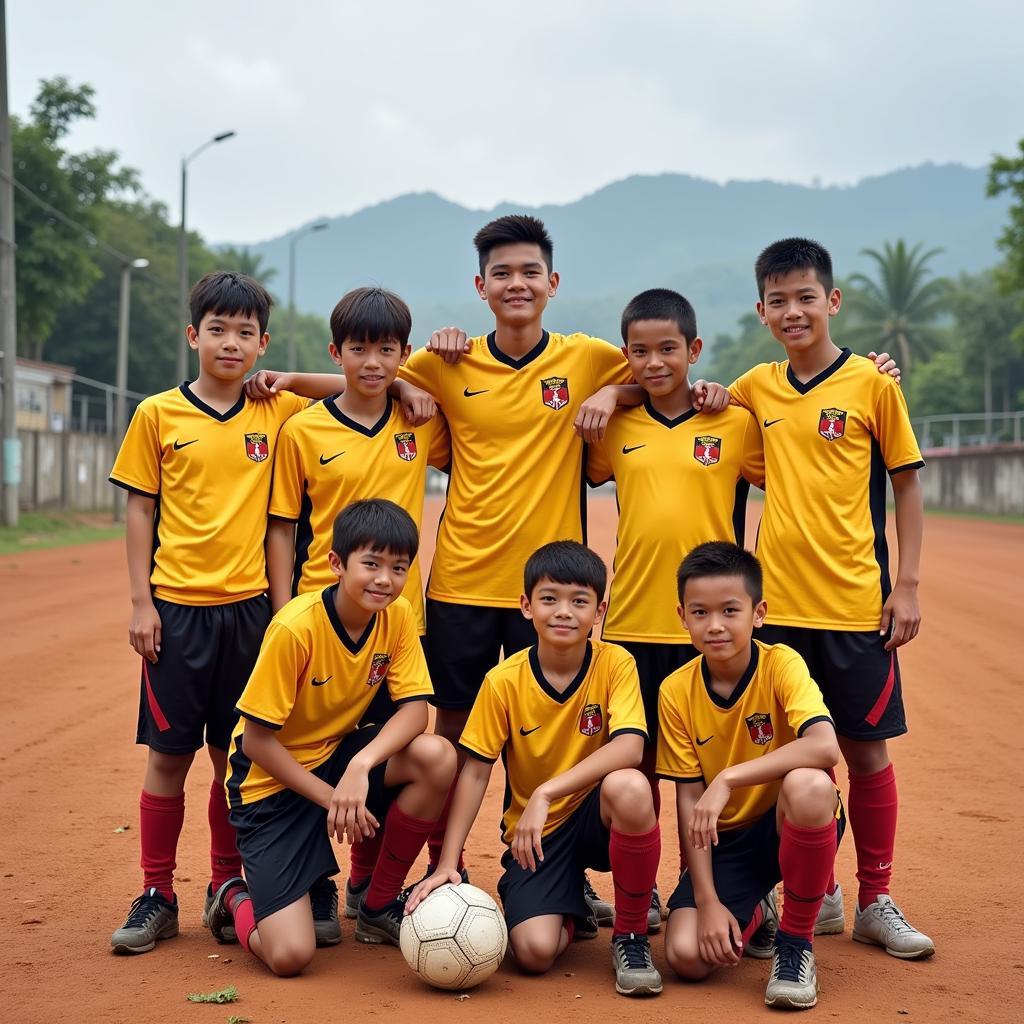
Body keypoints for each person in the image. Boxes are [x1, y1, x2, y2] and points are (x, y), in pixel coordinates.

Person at [395, 215, 641, 919]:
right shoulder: (446, 360)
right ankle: (453, 873)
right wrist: (415, 383)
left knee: (564, 734)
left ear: (552, 282)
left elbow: (668, 374)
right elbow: (368, 371)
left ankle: (561, 872)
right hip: (464, 583)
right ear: (480, 286)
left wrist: (611, 394)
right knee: (455, 735)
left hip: (552, 593)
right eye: (501, 273)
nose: (517, 283)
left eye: (530, 271)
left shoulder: (589, 359)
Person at [699, 237, 933, 958]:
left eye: (807, 297)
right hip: (779, 615)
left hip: (857, 608)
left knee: (866, 754)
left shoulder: (872, 385)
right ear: (762, 311)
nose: (793, 311)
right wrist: (704, 392)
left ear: (833, 301)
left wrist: (909, 585)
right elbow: (695, 401)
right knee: (797, 762)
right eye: (779, 301)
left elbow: (906, 482)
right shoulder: (755, 389)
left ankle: (877, 898)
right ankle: (818, 894)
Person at [108, 272, 312, 955]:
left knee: (235, 760)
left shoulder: (275, 411)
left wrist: (286, 379)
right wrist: (142, 602)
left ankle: (227, 886)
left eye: (246, 333)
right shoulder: (158, 414)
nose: (231, 342)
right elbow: (140, 508)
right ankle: (157, 892)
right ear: (193, 335)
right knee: (168, 759)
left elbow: (358, 387)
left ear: (262, 344)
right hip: (177, 614)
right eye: (218, 329)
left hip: (250, 617)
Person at [207, 499, 455, 975]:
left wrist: (361, 767)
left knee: (436, 756)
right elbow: (256, 741)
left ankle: (377, 904)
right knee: (290, 956)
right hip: (270, 784)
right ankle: (230, 897)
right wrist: (331, 798)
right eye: (371, 564)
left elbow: (415, 711)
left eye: (398, 567)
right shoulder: (295, 628)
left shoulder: (398, 615)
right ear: (336, 564)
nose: (384, 579)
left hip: (337, 758)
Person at [408, 541, 663, 997]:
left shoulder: (615, 663)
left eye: (579, 601)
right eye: (549, 599)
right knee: (532, 953)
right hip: (536, 838)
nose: (563, 612)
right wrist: (448, 862)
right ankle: (571, 908)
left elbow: (629, 746)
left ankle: (630, 934)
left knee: (631, 786)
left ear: (599, 609)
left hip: (595, 817)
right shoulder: (503, 680)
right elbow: (475, 772)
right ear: (526, 606)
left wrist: (546, 793)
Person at [587, 288, 765, 926]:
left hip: (710, 629)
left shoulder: (736, 422)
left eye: (668, 348)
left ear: (694, 349)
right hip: (633, 621)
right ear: (625, 356)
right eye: (639, 351)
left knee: (707, 764)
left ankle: (702, 884)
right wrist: (612, 394)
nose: (654, 361)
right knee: (639, 768)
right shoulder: (614, 428)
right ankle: (642, 893)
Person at [660, 541, 844, 1010]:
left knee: (811, 784)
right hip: (729, 842)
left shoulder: (781, 663)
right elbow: (688, 801)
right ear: (682, 616)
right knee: (685, 956)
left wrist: (729, 779)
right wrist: (706, 899)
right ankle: (757, 907)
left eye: (730, 610)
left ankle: (796, 942)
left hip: (788, 820)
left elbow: (825, 746)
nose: (715, 624)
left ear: (758, 613)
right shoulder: (675, 689)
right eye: (700, 612)